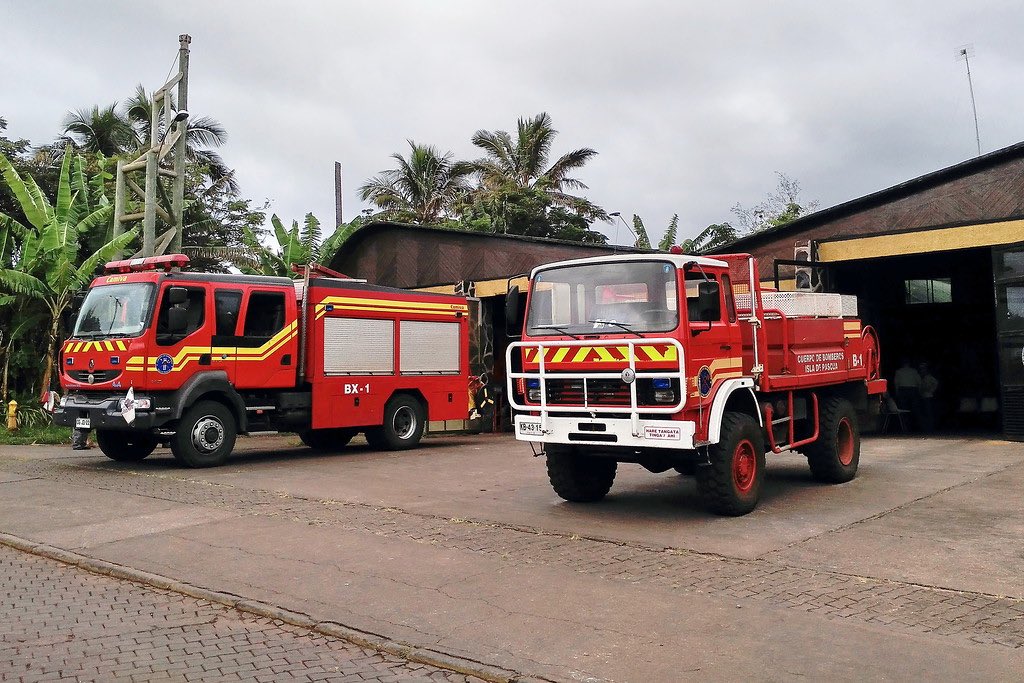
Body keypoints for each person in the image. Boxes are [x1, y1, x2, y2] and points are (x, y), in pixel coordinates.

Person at [893, 359, 922, 429]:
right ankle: (917, 426)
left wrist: (897, 392)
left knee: (904, 409)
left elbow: (896, 383)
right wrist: (919, 391)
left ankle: (905, 426)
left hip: (903, 390)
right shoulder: (914, 371)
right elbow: (919, 381)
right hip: (913, 390)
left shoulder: (899, 371)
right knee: (915, 409)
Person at [918, 362, 939, 432]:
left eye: (923, 368)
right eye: (921, 369)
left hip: (928, 396)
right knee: (924, 412)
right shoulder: (920, 377)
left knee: (929, 412)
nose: (922, 370)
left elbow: (936, 383)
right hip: (922, 396)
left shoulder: (929, 377)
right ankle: (926, 427)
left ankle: (930, 427)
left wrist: (932, 390)